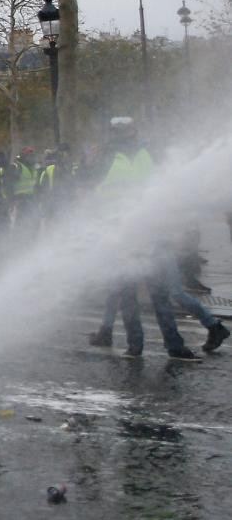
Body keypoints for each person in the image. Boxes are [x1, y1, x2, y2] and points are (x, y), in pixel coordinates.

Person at [87, 118, 200, 360]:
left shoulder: (116, 156)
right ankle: (162, 345)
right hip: (132, 235)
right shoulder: (132, 155)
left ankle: (148, 346)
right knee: (147, 294)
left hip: (139, 234)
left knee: (142, 294)